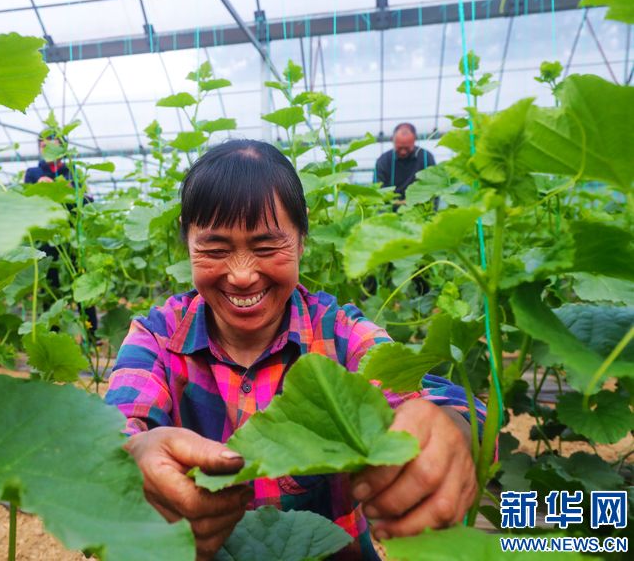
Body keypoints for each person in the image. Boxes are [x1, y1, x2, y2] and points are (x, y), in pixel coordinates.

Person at [105, 140, 482, 560]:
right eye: (215, 250)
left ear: (302, 240)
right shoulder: (158, 336)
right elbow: (114, 428)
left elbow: (432, 398)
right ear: (188, 244)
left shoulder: (338, 332)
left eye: (267, 248)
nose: (243, 275)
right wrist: (130, 458)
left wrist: (454, 428)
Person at [24, 130, 98, 332]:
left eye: (52, 144)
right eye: (43, 145)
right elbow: (25, 204)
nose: (47, 148)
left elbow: (88, 202)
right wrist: (38, 188)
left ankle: (91, 332)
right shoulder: (33, 173)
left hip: (73, 237)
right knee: (51, 281)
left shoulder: (73, 172)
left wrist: (70, 190)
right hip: (47, 236)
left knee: (82, 281)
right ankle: (53, 330)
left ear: (62, 148)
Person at [374, 123, 435, 199]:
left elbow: (434, 187)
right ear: (393, 141)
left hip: (419, 207)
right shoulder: (383, 161)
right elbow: (378, 190)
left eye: (407, 148)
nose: (403, 152)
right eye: (399, 148)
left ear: (414, 140)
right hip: (390, 207)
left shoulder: (426, 158)